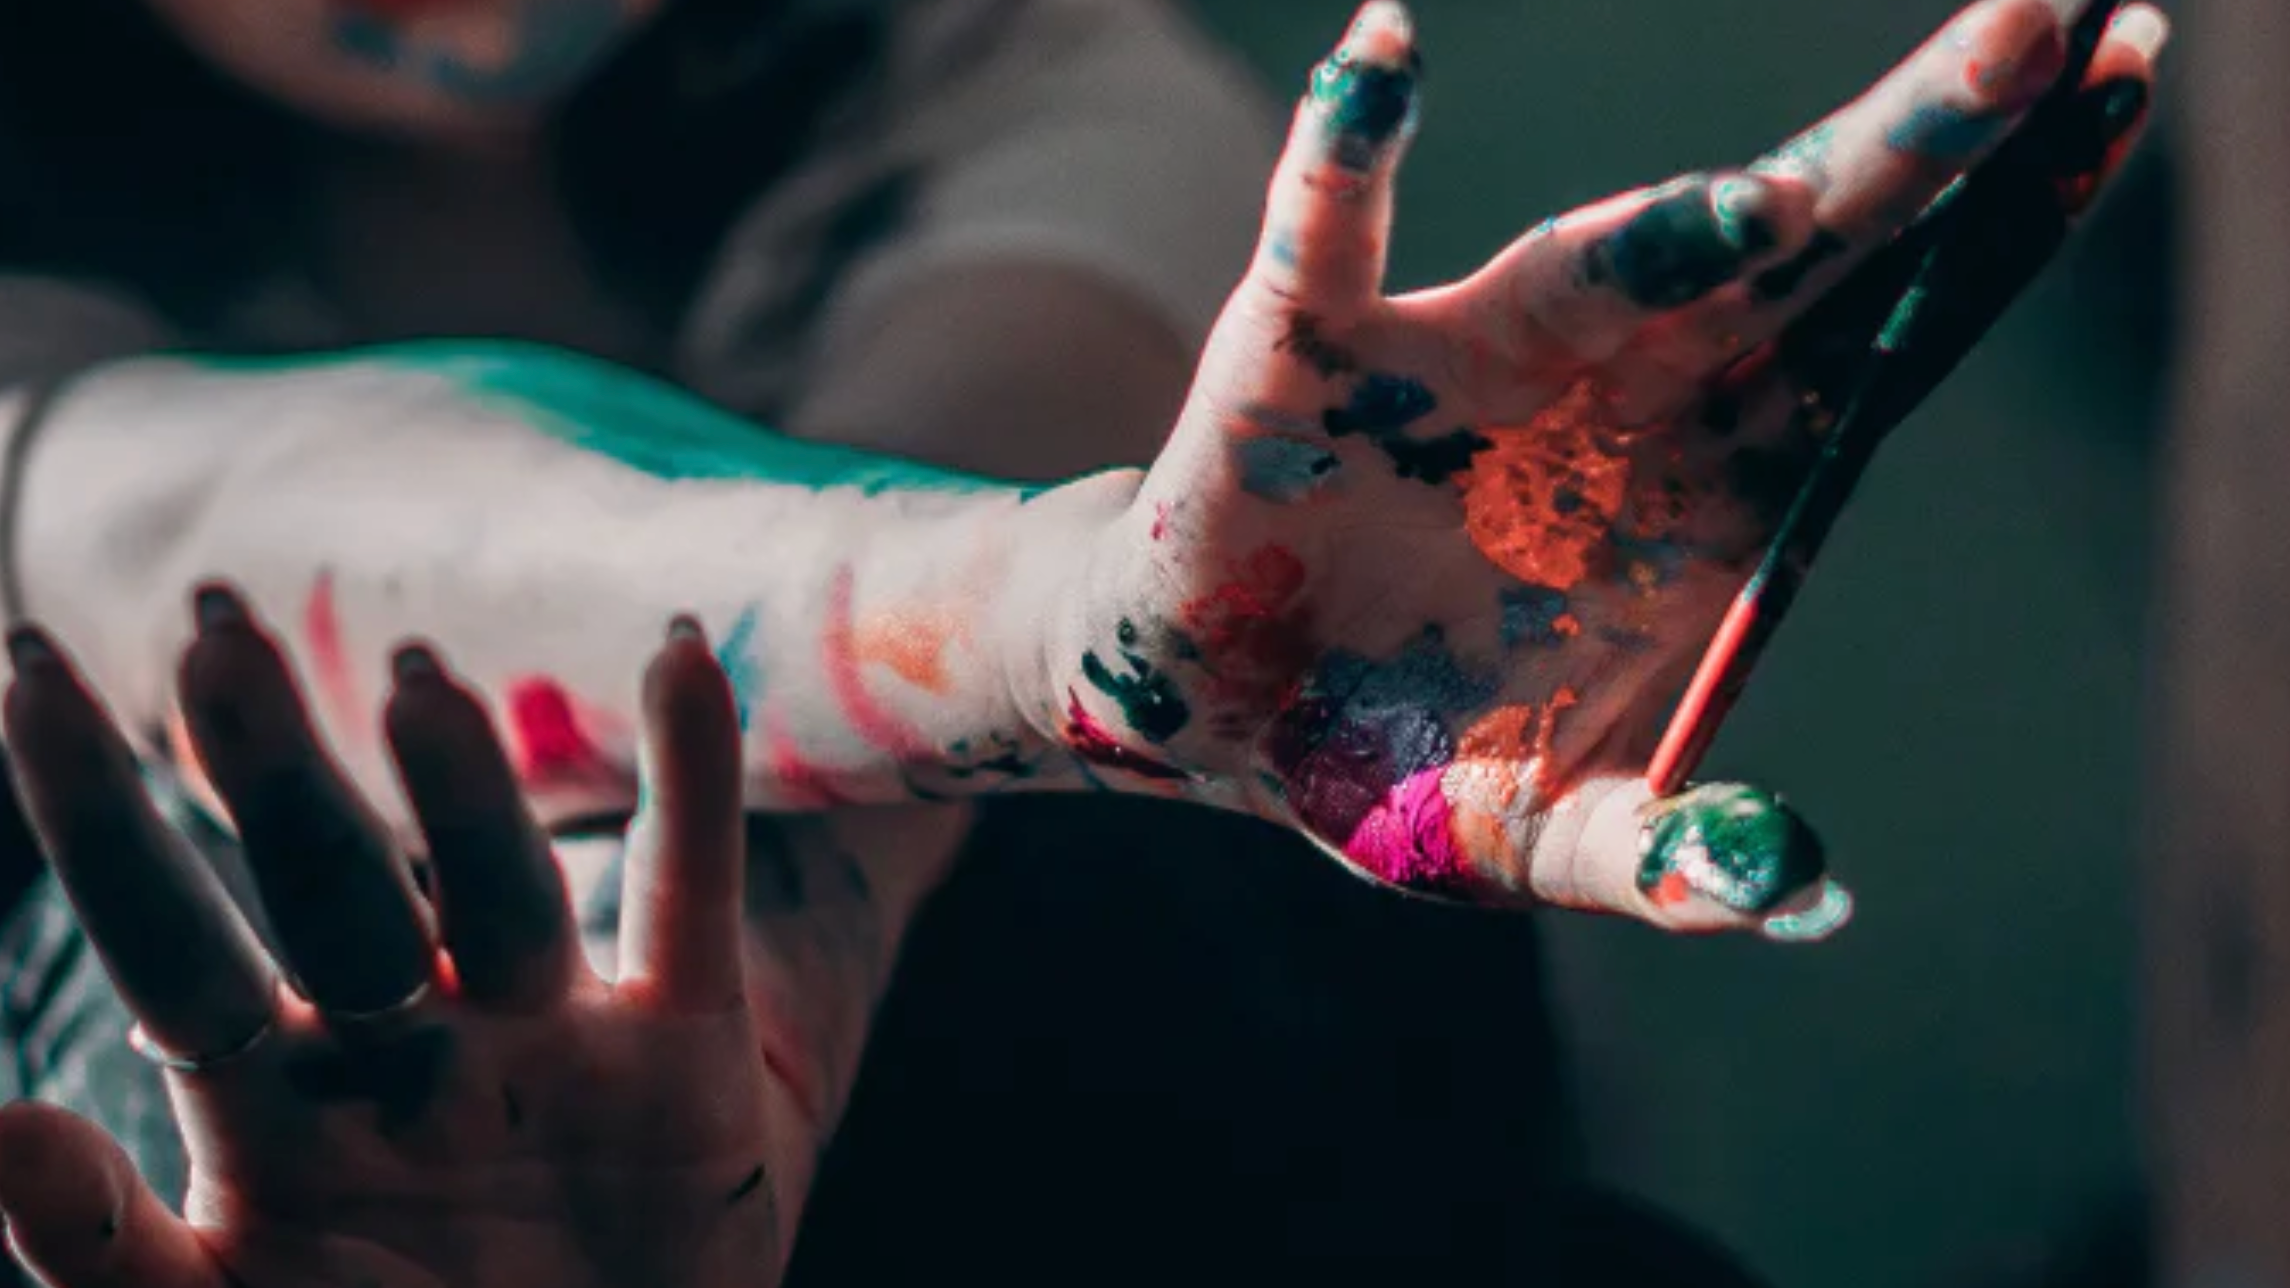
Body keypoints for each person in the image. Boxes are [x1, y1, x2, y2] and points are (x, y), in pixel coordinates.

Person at [0, 0, 2166, 1283]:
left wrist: (1076, 645)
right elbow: (164, 511)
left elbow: (950, 485)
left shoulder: (1036, 79)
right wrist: (1060, 628)